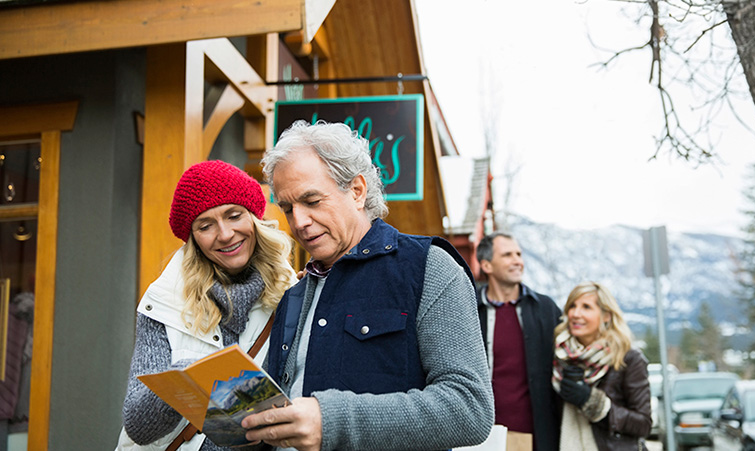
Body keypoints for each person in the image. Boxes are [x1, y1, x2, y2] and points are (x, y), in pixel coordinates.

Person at [241, 120, 494, 451]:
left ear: (357, 191)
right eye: (288, 208)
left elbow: (469, 409)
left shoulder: (429, 267)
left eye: (312, 201)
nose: (299, 222)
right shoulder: (294, 294)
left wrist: (331, 422)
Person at [117, 160, 295, 451]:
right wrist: (190, 376)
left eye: (234, 215)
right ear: (194, 239)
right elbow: (139, 427)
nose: (224, 234)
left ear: (254, 218)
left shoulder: (291, 297)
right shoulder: (165, 299)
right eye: (205, 225)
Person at [475, 232, 562, 451]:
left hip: (535, 436)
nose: (517, 261)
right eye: (507, 255)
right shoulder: (469, 309)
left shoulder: (546, 309)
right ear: (487, 265)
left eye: (519, 254)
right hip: (481, 437)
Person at [552, 282, 651, 451]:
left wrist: (594, 403)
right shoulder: (559, 357)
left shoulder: (628, 358)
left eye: (586, 307)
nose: (576, 314)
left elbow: (643, 424)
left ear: (606, 315)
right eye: (572, 306)